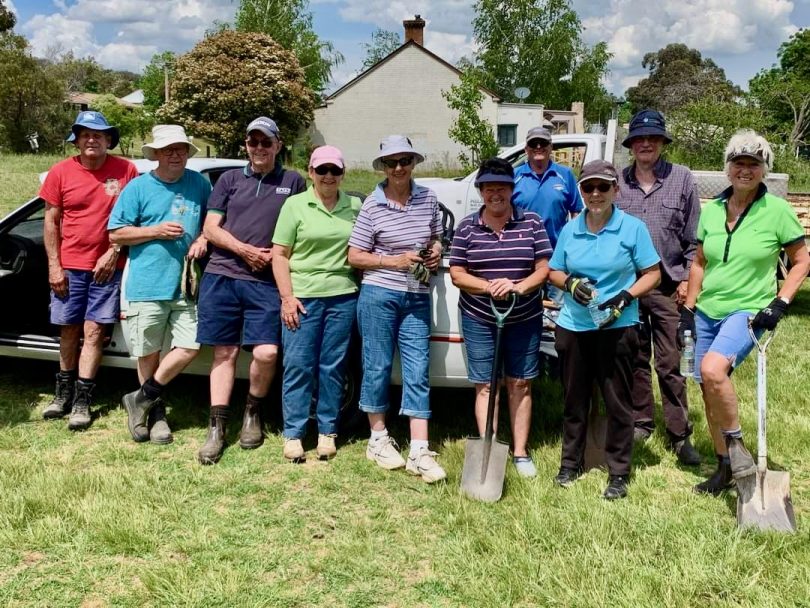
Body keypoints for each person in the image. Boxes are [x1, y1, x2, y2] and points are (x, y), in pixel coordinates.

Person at [681, 130, 809, 495]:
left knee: (712, 369)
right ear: (728, 168)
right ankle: (725, 468)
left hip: (747, 310)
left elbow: (802, 262)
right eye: (739, 163)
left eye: (754, 164)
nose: (745, 170)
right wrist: (689, 308)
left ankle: (738, 448)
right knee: (706, 388)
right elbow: (700, 263)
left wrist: (780, 302)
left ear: (764, 169)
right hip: (708, 309)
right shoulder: (714, 210)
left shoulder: (778, 211)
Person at [548, 160, 661, 500]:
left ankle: (619, 472)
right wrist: (570, 284)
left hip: (617, 326)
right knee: (574, 399)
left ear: (616, 189)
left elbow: (652, 274)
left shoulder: (632, 228)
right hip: (574, 326)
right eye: (588, 187)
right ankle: (571, 464)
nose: (595, 194)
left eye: (603, 187)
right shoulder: (571, 229)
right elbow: (554, 271)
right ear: (581, 191)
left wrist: (626, 296)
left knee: (618, 402)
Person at [195, 117, 306, 465]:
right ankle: (217, 427)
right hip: (223, 275)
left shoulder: (293, 181)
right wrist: (244, 250)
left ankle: (253, 412)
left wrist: (277, 252)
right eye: (253, 141)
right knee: (224, 353)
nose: (259, 148)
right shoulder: (229, 179)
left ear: (278, 144)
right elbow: (211, 229)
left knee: (267, 353)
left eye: (266, 142)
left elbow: (302, 224)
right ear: (246, 144)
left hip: (266, 282)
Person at [347, 135, 446, 484]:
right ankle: (378, 438)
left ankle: (420, 448)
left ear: (414, 163)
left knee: (418, 367)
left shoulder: (428, 198)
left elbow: (436, 236)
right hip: (379, 293)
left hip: (416, 293)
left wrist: (435, 250)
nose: (399, 168)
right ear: (384, 168)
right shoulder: (372, 205)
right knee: (376, 366)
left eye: (405, 160)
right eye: (392, 162)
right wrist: (395, 260)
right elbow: (354, 256)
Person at [108, 125, 211, 444]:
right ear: (155, 154)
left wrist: (204, 238)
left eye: (180, 148)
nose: (175, 154)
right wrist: (154, 231)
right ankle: (155, 416)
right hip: (146, 284)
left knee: (190, 346)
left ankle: (140, 398)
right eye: (168, 149)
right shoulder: (138, 188)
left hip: (186, 285)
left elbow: (212, 222)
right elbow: (115, 234)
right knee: (149, 353)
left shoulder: (199, 183)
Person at [449, 158, 551, 477]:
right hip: (480, 317)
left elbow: (544, 269)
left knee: (520, 383)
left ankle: (520, 452)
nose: (496, 193)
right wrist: (488, 286)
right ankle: (488, 446)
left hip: (524, 316)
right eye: (489, 187)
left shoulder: (532, 223)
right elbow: (457, 273)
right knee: (484, 385)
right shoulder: (467, 227)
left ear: (512, 189)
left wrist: (517, 286)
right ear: (481, 190)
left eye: (502, 187)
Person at [40, 110, 138, 430]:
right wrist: (55, 266)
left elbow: (134, 218)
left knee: (94, 332)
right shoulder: (60, 172)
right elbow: (51, 222)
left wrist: (114, 251)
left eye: (98, 134)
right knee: (68, 331)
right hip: (69, 267)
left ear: (110, 140)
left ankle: (82, 401)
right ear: (77, 140)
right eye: (85, 134)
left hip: (109, 268)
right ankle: (62, 395)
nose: (92, 139)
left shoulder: (127, 170)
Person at [617, 109, 702, 465]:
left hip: (669, 288)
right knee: (635, 359)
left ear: (663, 143)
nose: (646, 144)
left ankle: (680, 434)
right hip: (630, 288)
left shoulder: (682, 179)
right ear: (632, 144)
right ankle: (641, 421)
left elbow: (695, 239)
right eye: (640, 139)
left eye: (653, 138)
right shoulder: (617, 182)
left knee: (671, 362)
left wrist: (686, 280)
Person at [271, 146, 362, 461]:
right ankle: (294, 433)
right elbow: (279, 255)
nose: (328, 176)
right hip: (303, 297)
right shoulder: (294, 205)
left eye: (334, 171)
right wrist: (287, 297)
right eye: (321, 170)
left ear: (342, 174)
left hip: (342, 296)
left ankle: (327, 431)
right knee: (298, 366)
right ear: (310, 172)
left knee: (333, 368)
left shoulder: (355, 205)